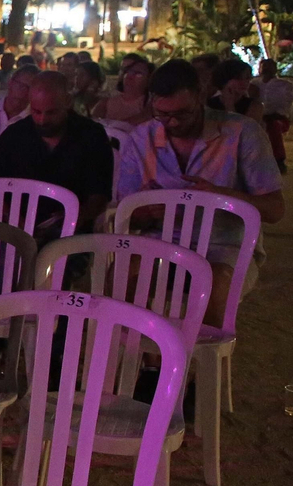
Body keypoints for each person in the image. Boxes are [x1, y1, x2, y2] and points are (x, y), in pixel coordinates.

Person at [115, 59, 284, 327]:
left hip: (225, 248)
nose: (172, 123)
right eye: (162, 114)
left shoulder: (241, 132)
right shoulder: (142, 138)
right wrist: (145, 212)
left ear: (200, 95)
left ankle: (201, 362)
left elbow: (275, 210)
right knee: (124, 275)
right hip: (161, 242)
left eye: (183, 114)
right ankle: (149, 362)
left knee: (213, 283)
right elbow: (125, 212)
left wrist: (221, 196)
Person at [0, 72, 114, 234]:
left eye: (51, 112)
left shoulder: (91, 135)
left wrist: (78, 215)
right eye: (36, 112)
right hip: (16, 230)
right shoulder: (14, 136)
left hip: (72, 233)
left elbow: (100, 192)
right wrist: (15, 220)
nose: (42, 121)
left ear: (68, 102)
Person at [92, 55, 152, 126]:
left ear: (149, 78)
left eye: (138, 73)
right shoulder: (105, 103)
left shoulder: (152, 104)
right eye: (127, 71)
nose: (130, 77)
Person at [207, 58, 265, 123]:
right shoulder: (209, 105)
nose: (244, 82)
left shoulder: (254, 106)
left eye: (247, 78)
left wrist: (229, 106)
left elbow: (246, 131)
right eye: (238, 78)